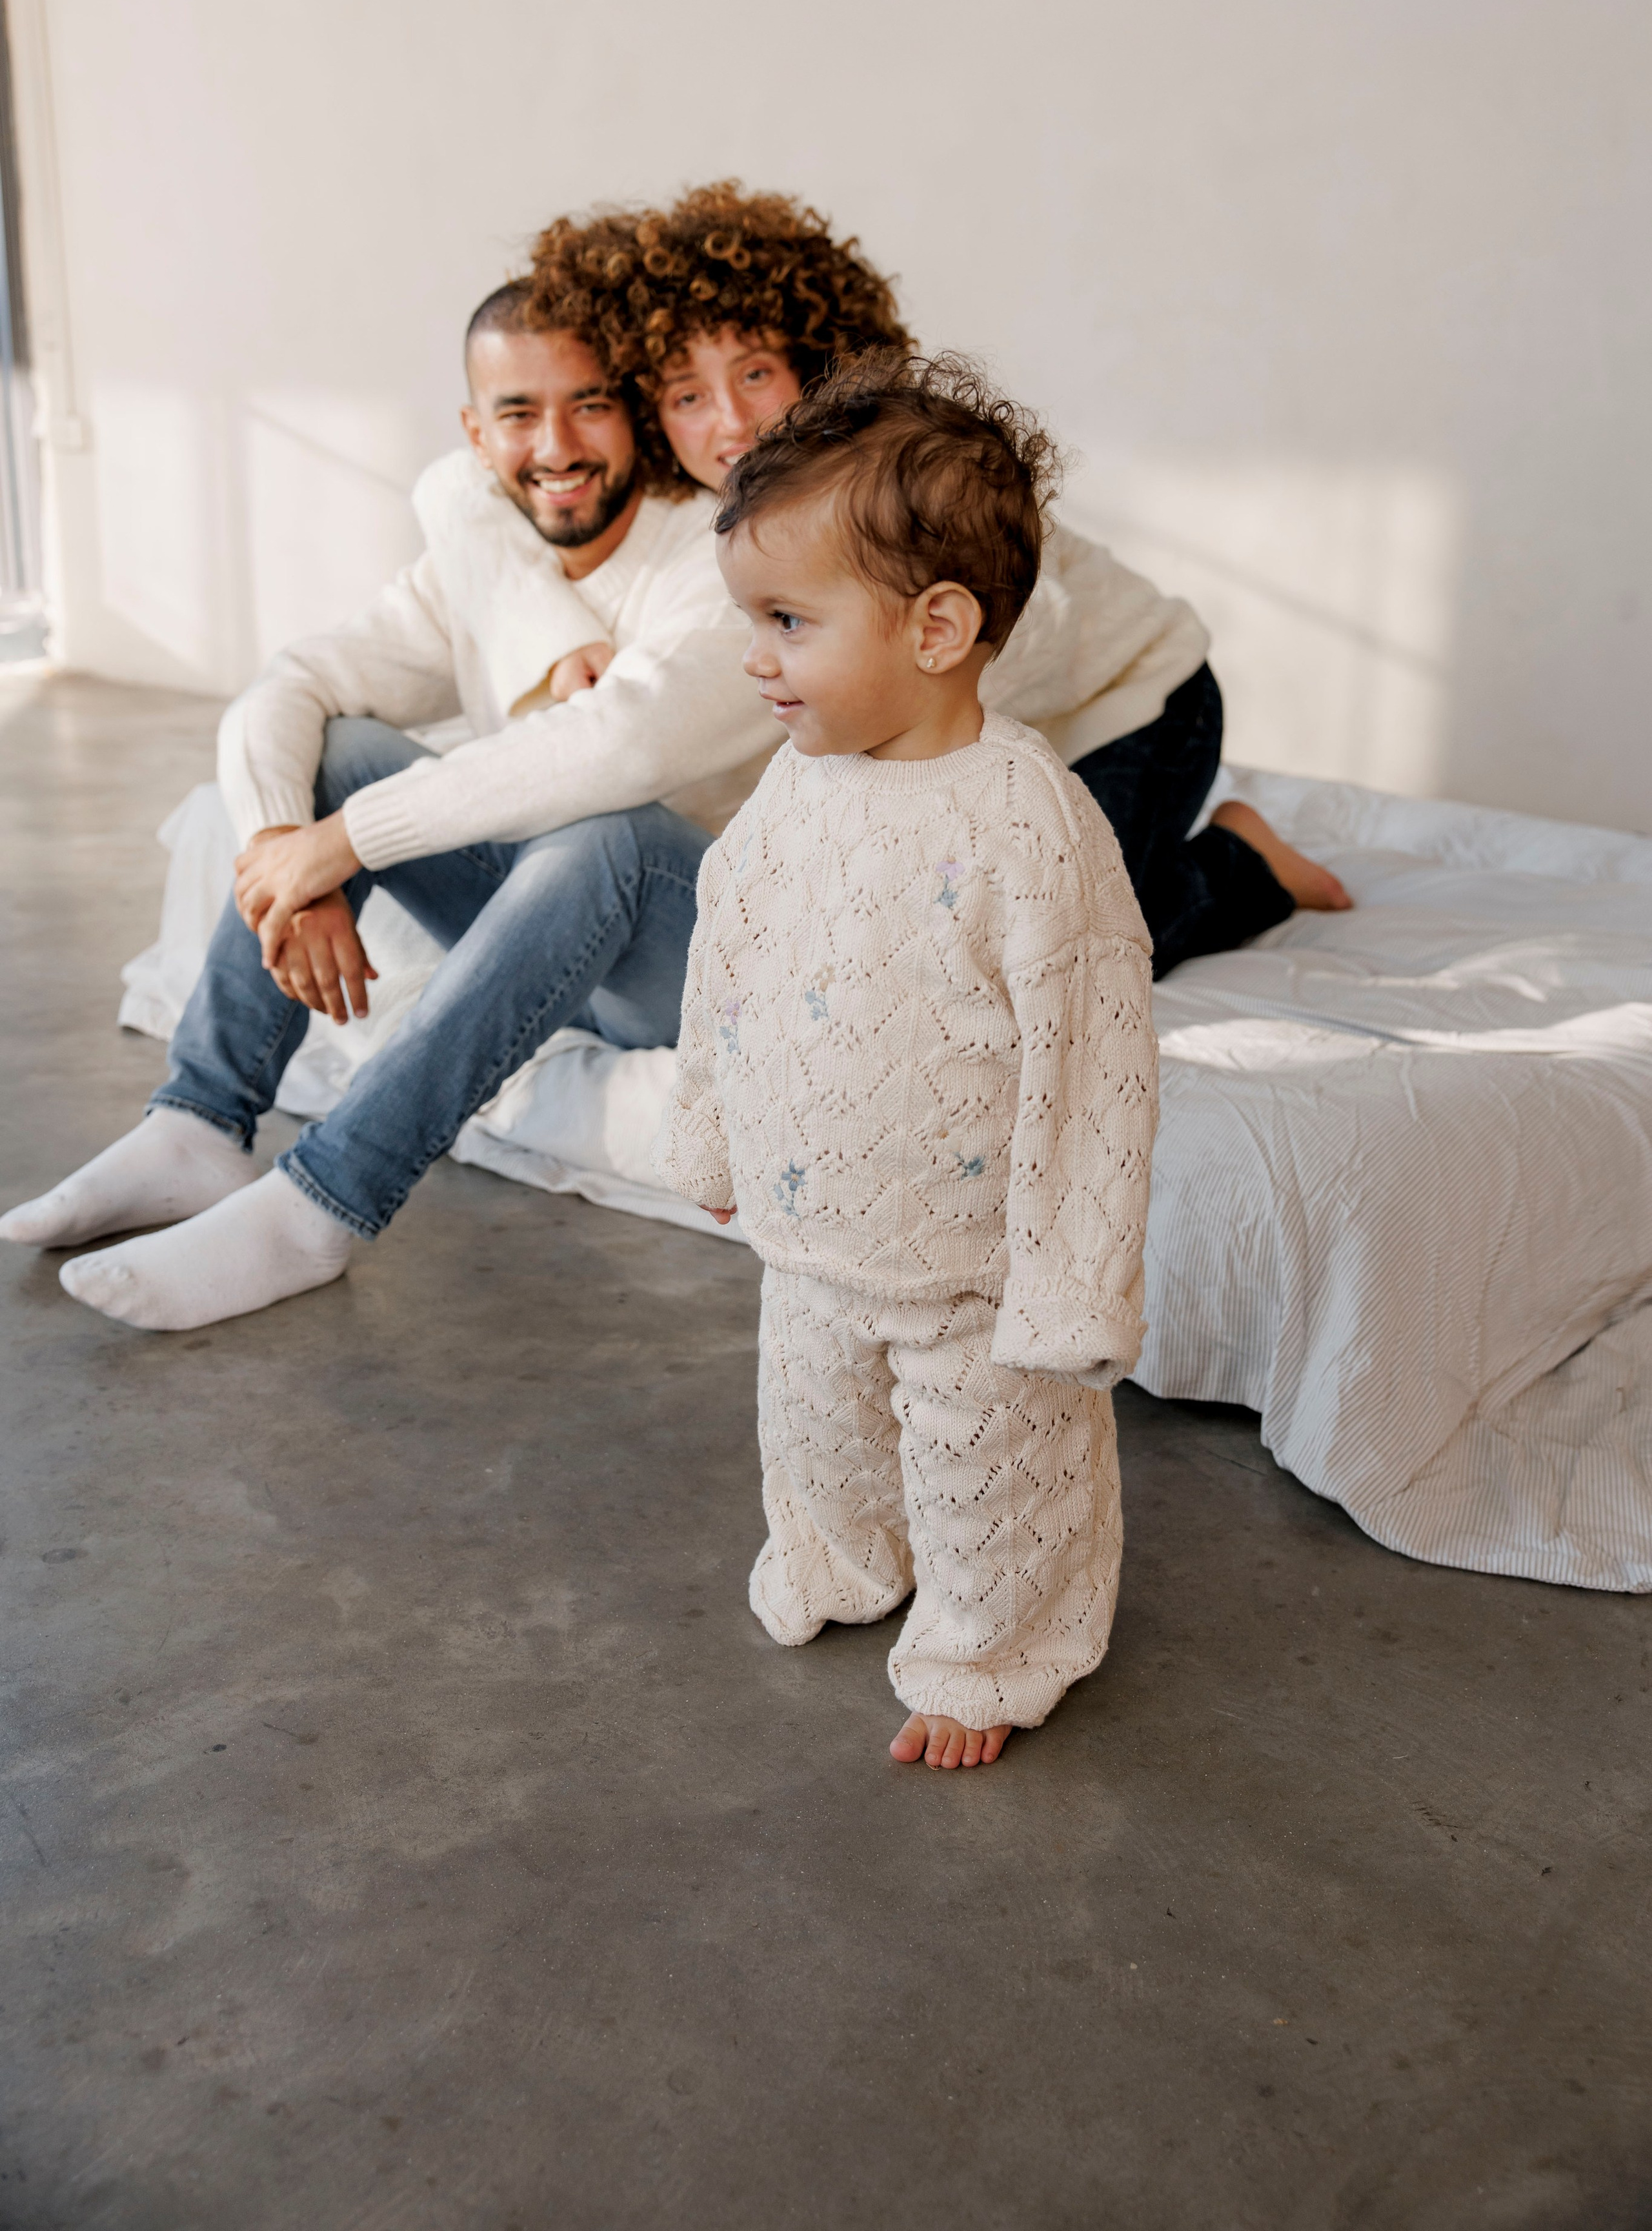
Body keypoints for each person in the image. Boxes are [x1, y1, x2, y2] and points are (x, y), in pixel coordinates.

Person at [1, 283, 780, 1327]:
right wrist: (289, 850)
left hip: (706, 955)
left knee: (614, 839)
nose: (555, 444)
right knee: (343, 748)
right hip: (551, 936)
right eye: (517, 414)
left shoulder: (717, 552)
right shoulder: (480, 564)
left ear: (635, 411)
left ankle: (323, 1205)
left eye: (589, 405)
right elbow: (286, 686)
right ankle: (200, 1122)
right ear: (473, 434)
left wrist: (343, 844)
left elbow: (620, 745)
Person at [654, 353, 1160, 1771]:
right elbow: (727, 959)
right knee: (816, 1434)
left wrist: (1072, 1278)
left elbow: (1095, 1069)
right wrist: (708, 1135)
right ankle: (839, 1559)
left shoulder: (1029, 824)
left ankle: (989, 1649)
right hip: (812, 1237)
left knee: (992, 1471)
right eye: (749, 617)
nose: (755, 657)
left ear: (937, 626)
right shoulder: (793, 783)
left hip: (973, 1275)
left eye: (787, 621)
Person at [502, 181, 1350, 965]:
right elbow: (459, 491)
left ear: (813, 355)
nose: (729, 421)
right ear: (654, 420)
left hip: (1136, 706)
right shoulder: (733, 522)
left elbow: (1017, 652)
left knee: (1042, 968)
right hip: (1016, 746)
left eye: (756, 373)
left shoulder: (893, 478)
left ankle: (1245, 866)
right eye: (686, 396)